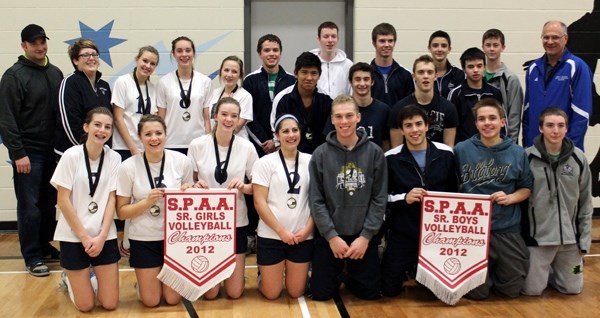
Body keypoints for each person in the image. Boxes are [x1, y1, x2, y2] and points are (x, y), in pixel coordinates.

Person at [308, 95, 387, 301]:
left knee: (370, 294)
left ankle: (349, 274)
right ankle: (338, 273)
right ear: (332, 120)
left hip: (362, 237)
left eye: (349, 116)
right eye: (339, 116)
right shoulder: (320, 154)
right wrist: (331, 237)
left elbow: (379, 199)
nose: (344, 122)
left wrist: (366, 237)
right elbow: (316, 200)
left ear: (358, 117)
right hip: (331, 237)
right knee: (320, 294)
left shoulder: (375, 153)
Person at [0, 24, 63, 277]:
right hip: (29, 153)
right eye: (34, 43)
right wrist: (18, 153)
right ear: (24, 46)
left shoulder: (56, 73)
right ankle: (32, 256)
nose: (40, 47)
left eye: (42, 42)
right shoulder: (13, 76)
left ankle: (45, 246)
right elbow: (6, 119)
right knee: (30, 206)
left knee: (49, 205)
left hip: (53, 153)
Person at [454, 98, 533, 300]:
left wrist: (511, 197)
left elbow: (526, 188)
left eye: (492, 118)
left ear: (503, 122)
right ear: (475, 123)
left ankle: (499, 272)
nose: (487, 123)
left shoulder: (517, 152)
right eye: (481, 119)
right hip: (473, 232)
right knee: (476, 294)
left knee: (511, 291)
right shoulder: (461, 150)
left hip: (506, 228)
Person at [116, 114, 194, 307]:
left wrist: (188, 192)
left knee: (173, 299)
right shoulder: (128, 167)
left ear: (166, 135)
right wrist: (146, 202)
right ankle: (144, 285)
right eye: (148, 134)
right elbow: (121, 212)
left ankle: (153, 282)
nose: (154, 138)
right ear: (140, 137)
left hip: (174, 237)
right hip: (143, 238)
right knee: (151, 301)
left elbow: (192, 204)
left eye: (159, 133)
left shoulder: (181, 161)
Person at [381, 105, 458, 297]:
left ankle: (421, 272)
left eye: (418, 124)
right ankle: (412, 269)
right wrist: (404, 198)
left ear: (427, 126)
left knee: (439, 293)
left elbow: (455, 191)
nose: (414, 130)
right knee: (388, 289)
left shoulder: (446, 153)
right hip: (404, 231)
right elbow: (382, 198)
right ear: (401, 130)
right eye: (408, 125)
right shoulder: (390, 158)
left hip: (438, 234)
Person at [188, 97, 258, 299]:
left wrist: (244, 187)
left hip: (236, 220)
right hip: (206, 221)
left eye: (234, 116)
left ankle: (238, 276)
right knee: (210, 294)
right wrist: (195, 186)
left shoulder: (247, 147)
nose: (229, 119)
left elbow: (258, 188)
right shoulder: (197, 145)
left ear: (238, 120)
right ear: (215, 115)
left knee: (235, 293)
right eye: (224, 114)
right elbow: (187, 184)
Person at [51, 107, 121, 312]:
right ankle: (70, 279)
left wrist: (101, 236)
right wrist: (84, 237)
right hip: (74, 235)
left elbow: (112, 199)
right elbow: (63, 201)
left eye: (107, 127)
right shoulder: (71, 156)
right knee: (86, 306)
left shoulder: (114, 158)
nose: (102, 130)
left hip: (102, 235)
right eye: (97, 125)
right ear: (86, 127)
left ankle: (88, 279)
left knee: (109, 304)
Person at [521, 107, 593, 296]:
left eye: (561, 125)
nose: (556, 130)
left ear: (566, 129)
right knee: (532, 291)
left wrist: (583, 240)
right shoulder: (527, 157)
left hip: (570, 242)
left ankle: (555, 273)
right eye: (550, 125)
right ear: (540, 128)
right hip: (538, 240)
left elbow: (585, 202)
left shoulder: (578, 158)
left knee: (574, 288)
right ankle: (544, 273)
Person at [252, 114, 313, 300]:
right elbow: (259, 202)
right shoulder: (264, 163)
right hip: (272, 235)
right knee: (272, 293)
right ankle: (263, 275)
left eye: (295, 130)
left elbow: (319, 201)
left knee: (295, 293)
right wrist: (281, 231)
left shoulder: (312, 161)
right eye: (285, 131)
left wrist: (308, 229)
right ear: (277, 135)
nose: (291, 135)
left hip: (301, 236)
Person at [523, 20, 593, 150]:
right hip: (535, 149)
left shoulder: (577, 67)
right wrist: (527, 145)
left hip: (564, 151)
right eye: (546, 37)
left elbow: (582, 113)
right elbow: (527, 111)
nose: (550, 41)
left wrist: (570, 149)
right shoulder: (533, 69)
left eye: (555, 37)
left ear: (565, 39)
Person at [55, 39, 111, 157]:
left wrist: (103, 149)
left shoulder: (104, 86)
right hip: (73, 154)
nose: (91, 58)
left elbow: (108, 121)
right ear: (75, 60)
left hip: (99, 153)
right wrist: (86, 149)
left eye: (94, 54)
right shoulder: (70, 83)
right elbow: (69, 122)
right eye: (85, 55)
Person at [157, 36, 212, 155]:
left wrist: (208, 142)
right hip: (171, 142)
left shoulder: (205, 81)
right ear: (173, 54)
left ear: (193, 53)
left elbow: (206, 117)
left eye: (188, 50)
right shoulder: (164, 82)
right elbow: (160, 117)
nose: (184, 54)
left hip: (198, 142)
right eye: (179, 50)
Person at [389, 55, 458, 148]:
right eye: (421, 72)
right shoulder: (398, 109)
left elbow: (449, 148)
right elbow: (396, 149)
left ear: (435, 76)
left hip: (438, 160)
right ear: (414, 76)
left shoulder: (449, 108)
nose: (425, 76)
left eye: (430, 72)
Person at [244, 34, 296, 157]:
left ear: (280, 53)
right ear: (259, 53)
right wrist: (263, 141)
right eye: (267, 50)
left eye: (275, 50)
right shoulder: (250, 80)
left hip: (285, 143)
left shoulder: (292, 81)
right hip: (258, 146)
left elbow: (293, 113)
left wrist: (276, 141)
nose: (271, 54)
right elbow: (249, 115)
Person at [271, 52, 332, 154]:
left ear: (319, 76)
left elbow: (329, 135)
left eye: (313, 73)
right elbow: (276, 132)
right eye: (304, 72)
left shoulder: (326, 100)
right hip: (290, 156)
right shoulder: (282, 99)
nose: (309, 77)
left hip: (319, 158)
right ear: (295, 73)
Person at [112, 46, 160, 160]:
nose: (148, 66)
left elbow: (154, 118)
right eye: (145, 61)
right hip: (124, 148)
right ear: (137, 59)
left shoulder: (153, 88)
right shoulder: (123, 82)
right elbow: (118, 118)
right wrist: (132, 148)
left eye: (152, 63)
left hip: (146, 148)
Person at [448, 47, 503, 144]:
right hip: (465, 150)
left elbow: (502, 122)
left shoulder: (495, 92)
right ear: (463, 69)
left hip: (492, 147)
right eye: (470, 67)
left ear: (484, 67)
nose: (475, 70)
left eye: (479, 66)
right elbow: (451, 127)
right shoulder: (455, 94)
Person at [482, 28, 524, 143]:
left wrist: (511, 143)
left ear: (503, 47)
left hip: (502, 140)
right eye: (488, 45)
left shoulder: (510, 79)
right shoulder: (475, 77)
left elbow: (514, 114)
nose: (491, 49)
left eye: (496, 45)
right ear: (483, 47)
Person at [207, 56, 253, 140]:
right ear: (220, 72)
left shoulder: (245, 96)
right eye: (226, 70)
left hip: (236, 144)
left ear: (240, 75)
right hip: (214, 142)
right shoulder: (214, 93)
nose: (229, 75)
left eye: (234, 72)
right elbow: (208, 121)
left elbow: (236, 128)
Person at [369, 23, 414, 107]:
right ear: (374, 43)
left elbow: (409, 107)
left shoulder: (405, 75)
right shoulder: (366, 74)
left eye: (390, 41)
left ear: (394, 43)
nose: (386, 45)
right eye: (382, 41)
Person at [348, 62, 390, 149]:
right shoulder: (342, 109)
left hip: (375, 161)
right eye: (358, 79)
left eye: (366, 79)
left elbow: (386, 142)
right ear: (351, 82)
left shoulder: (384, 110)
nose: (362, 84)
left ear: (372, 82)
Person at [309, 21, 353, 98]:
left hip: (341, 109)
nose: (330, 40)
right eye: (326, 36)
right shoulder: (310, 63)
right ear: (318, 39)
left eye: (333, 36)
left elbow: (352, 92)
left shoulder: (348, 65)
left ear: (338, 39)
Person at [427, 30, 465, 98]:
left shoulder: (459, 74)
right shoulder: (423, 74)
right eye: (435, 46)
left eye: (444, 46)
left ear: (449, 49)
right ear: (429, 48)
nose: (439, 49)